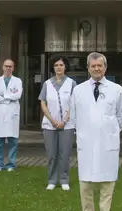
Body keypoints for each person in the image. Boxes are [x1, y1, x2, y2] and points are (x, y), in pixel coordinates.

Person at [70, 52, 122, 211]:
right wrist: (85, 133)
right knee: (85, 183)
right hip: (86, 142)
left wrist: (109, 131)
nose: (96, 69)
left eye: (99, 65)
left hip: (107, 141)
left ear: (105, 67)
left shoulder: (117, 89)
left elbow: (120, 116)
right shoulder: (78, 90)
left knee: (107, 183)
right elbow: (74, 116)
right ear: (88, 68)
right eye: (93, 66)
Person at [39, 55, 77, 191]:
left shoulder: (72, 83)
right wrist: (53, 120)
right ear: (53, 68)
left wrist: (65, 120)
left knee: (65, 154)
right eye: (56, 65)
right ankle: (52, 180)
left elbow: (74, 104)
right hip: (50, 125)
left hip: (67, 125)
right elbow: (43, 102)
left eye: (61, 65)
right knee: (51, 154)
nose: (59, 67)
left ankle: (64, 179)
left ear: (65, 67)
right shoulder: (47, 84)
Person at [0, 58, 23, 172]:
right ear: (3, 67)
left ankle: (11, 164)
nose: (8, 68)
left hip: (12, 113)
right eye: (6, 66)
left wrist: (3, 97)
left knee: (12, 140)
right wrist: (9, 97)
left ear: (13, 68)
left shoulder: (18, 81)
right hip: (0, 113)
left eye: (10, 66)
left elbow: (18, 95)